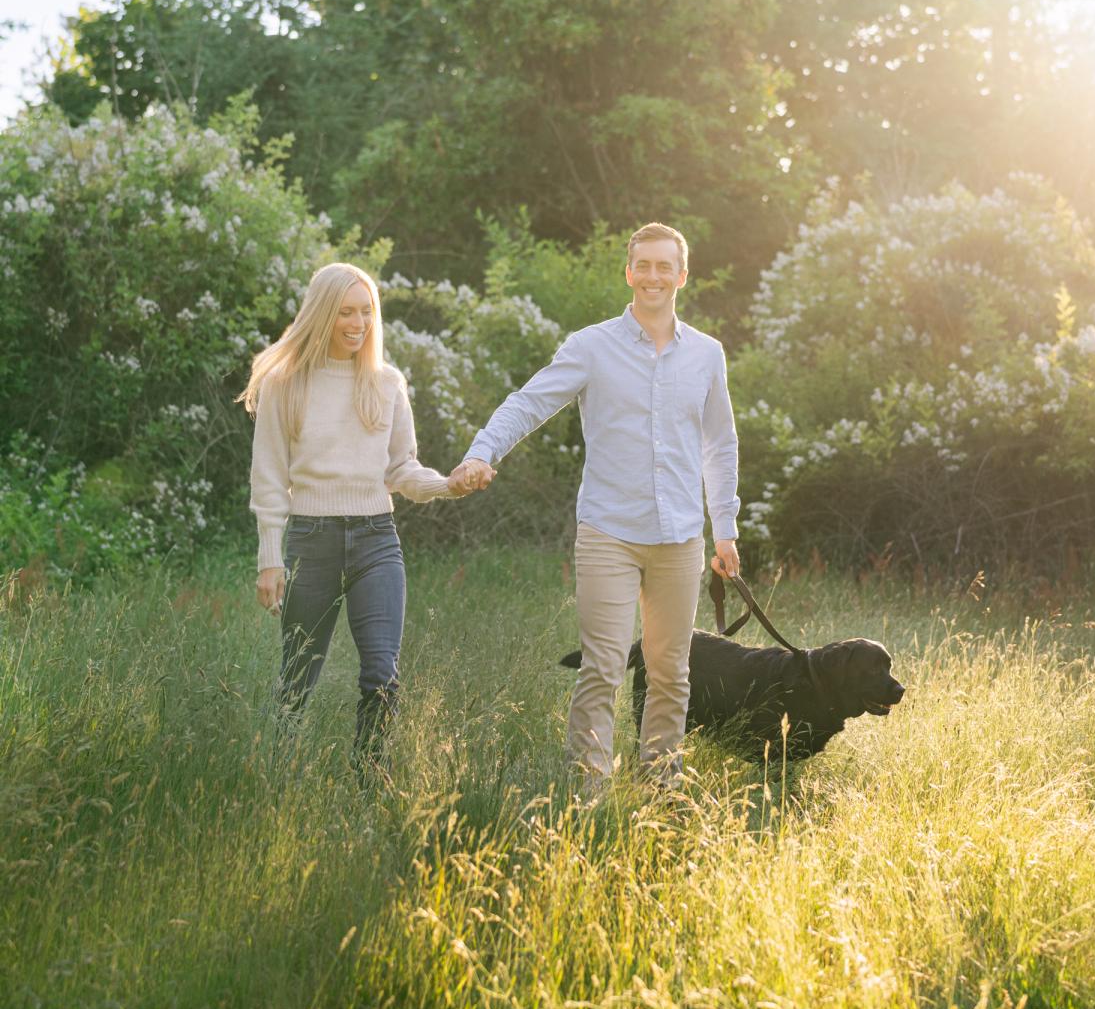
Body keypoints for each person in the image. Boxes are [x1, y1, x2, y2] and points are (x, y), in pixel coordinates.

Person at [454, 223, 740, 795]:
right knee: (603, 669)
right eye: (644, 265)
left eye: (666, 266)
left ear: (682, 276)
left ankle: (661, 787)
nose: (654, 276)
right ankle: (589, 796)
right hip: (609, 532)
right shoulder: (591, 346)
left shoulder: (707, 355)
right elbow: (529, 402)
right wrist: (481, 451)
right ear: (629, 273)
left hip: (681, 538)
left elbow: (720, 442)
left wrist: (725, 530)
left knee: (670, 672)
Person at [240, 261, 475, 775]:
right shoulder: (286, 384)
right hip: (312, 540)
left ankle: (370, 775)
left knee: (382, 674)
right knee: (298, 675)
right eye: (346, 312)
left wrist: (447, 485)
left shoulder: (386, 382)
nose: (358, 323)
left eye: (366, 312)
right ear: (322, 313)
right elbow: (268, 477)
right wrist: (269, 561)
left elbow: (400, 468)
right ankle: (273, 774)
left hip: (376, 540)